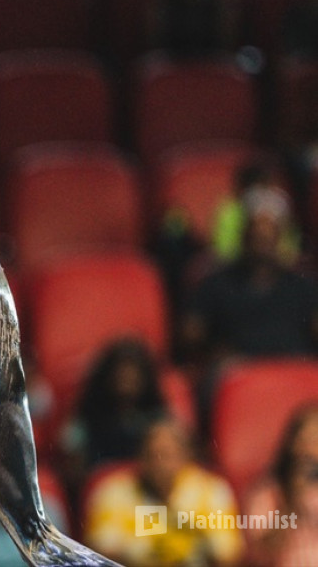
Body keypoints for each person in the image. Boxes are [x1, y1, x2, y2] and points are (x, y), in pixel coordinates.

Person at [180, 184, 318, 364]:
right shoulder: (216, 283)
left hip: (292, 371)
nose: (262, 242)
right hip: (239, 372)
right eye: (257, 237)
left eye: (268, 237)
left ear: (279, 238)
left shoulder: (303, 286)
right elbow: (191, 333)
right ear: (244, 235)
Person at [83, 417, 243, 567]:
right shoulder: (114, 493)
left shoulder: (211, 491)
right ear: (141, 457)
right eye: (152, 455)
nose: (159, 464)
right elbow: (100, 553)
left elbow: (228, 554)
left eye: (167, 455)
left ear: (185, 456)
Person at [60, 338, 169, 493]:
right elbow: (72, 466)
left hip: (151, 495)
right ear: (108, 376)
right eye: (121, 373)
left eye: (133, 374)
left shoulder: (159, 418)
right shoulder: (85, 417)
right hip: (103, 495)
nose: (127, 379)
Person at [245, 403, 318, 567]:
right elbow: (264, 552)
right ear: (291, 445)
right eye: (308, 439)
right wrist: (293, 496)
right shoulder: (267, 494)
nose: (312, 449)